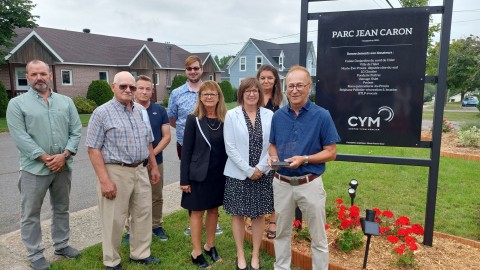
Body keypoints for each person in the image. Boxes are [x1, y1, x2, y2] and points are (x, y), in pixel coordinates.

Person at [6, 60, 82, 270]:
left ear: (50, 75)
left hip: (63, 166)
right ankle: (35, 253)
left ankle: (62, 245)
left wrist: (64, 156)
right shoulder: (17, 104)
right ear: (28, 77)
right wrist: (46, 158)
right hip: (34, 169)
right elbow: (20, 136)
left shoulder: (66, 102)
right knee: (30, 213)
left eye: (42, 73)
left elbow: (76, 131)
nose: (39, 78)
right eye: (33, 74)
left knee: (61, 208)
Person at [86, 71, 161, 270]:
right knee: (114, 218)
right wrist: (104, 180)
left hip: (140, 169)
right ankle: (112, 261)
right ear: (113, 86)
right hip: (115, 171)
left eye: (132, 87)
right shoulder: (102, 113)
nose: (128, 90)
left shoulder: (139, 111)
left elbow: (148, 141)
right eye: (123, 86)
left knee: (143, 213)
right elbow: (93, 149)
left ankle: (140, 253)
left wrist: (153, 166)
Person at [268, 65, 340, 270]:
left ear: (309, 87)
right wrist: (273, 156)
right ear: (285, 88)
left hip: (310, 182)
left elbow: (331, 152)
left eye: (300, 85)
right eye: (290, 85)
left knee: (318, 237)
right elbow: (272, 143)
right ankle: (281, 267)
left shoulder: (322, 116)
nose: (294, 90)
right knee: (281, 233)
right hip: (282, 183)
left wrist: (305, 159)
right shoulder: (279, 116)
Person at [168, 55, 223, 236]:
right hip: (186, 144)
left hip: (212, 143)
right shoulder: (176, 93)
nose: (193, 71)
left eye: (196, 68)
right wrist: (190, 132)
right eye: (189, 69)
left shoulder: (211, 89)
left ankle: (213, 223)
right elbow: (173, 119)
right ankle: (194, 220)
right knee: (193, 183)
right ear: (186, 71)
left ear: (201, 70)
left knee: (211, 179)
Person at [223, 78, 274, 270]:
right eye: (247, 91)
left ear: (260, 94)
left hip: (262, 173)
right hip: (238, 174)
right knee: (238, 215)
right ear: (241, 94)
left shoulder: (269, 115)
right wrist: (248, 170)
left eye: (255, 91)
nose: (252, 94)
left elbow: (272, 145)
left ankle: (255, 256)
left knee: (259, 215)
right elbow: (230, 147)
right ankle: (240, 255)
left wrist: (260, 168)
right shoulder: (231, 115)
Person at [180, 80, 228, 268]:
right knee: (197, 212)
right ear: (200, 97)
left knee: (214, 210)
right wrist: (184, 179)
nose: (209, 97)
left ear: (219, 97)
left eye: (212, 94)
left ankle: (210, 245)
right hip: (198, 175)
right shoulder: (193, 119)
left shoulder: (225, 119)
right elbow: (186, 152)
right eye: (205, 94)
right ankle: (197, 251)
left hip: (218, 175)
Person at [122, 75, 170, 241]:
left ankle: (156, 225)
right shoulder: (126, 110)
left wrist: (152, 156)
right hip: (134, 163)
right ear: (135, 90)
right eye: (140, 88)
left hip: (157, 160)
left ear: (152, 91)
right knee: (132, 197)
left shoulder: (160, 111)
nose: (144, 91)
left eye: (147, 89)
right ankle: (130, 230)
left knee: (156, 195)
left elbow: (167, 136)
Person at [256, 64, 288, 239]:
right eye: (263, 78)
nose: (266, 81)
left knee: (275, 185)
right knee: (258, 183)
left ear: (275, 80)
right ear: (258, 79)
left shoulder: (282, 100)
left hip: (276, 147)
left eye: (270, 77)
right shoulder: (254, 97)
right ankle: (256, 217)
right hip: (256, 148)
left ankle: (273, 221)